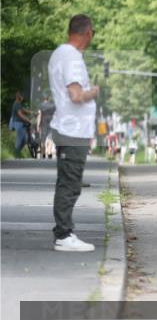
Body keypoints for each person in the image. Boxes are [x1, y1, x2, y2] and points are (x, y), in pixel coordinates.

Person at [47, 14, 100, 252]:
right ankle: (64, 235)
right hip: (72, 130)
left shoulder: (60, 53)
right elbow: (76, 95)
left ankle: (64, 232)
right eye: (93, 33)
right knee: (70, 184)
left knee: (67, 182)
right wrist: (93, 91)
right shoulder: (72, 58)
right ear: (87, 32)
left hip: (69, 128)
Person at [9, 91, 33, 157]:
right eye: (21, 96)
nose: (23, 97)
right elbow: (20, 115)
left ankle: (17, 152)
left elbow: (23, 110)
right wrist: (28, 120)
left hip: (20, 123)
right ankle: (16, 154)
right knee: (20, 139)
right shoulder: (17, 104)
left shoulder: (18, 104)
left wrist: (32, 112)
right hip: (18, 123)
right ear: (18, 97)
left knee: (24, 140)